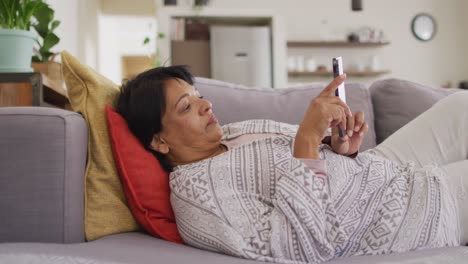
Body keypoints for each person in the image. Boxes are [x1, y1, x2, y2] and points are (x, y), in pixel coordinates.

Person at [117, 66, 467, 264]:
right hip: (403, 210)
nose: (205, 105)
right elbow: (300, 248)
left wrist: (339, 147)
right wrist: (308, 140)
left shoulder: (233, 132)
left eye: (197, 96)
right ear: (159, 141)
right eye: (185, 107)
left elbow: (314, 162)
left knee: (460, 106)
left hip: (382, 170)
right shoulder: (196, 197)